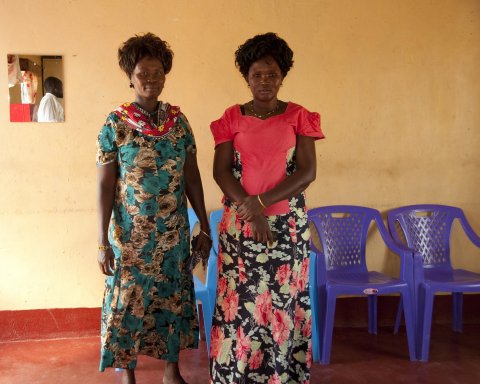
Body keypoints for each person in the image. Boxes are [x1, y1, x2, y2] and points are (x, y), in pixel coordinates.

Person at [209, 32, 325, 383]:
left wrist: (260, 203)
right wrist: (253, 212)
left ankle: (281, 376)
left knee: (282, 304)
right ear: (246, 76)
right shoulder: (231, 117)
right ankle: (237, 375)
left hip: (287, 229)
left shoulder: (300, 116)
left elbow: (307, 172)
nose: (264, 81)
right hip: (241, 229)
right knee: (241, 305)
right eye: (257, 74)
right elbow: (220, 170)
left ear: (283, 75)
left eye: (272, 74)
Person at [96, 33, 211, 384]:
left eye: (158, 72)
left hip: (172, 235)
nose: (151, 80)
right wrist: (102, 239)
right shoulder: (115, 124)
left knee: (171, 300)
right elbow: (104, 184)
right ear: (130, 76)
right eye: (143, 73)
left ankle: (170, 372)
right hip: (130, 238)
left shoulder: (178, 123)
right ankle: (127, 374)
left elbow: (192, 179)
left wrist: (204, 227)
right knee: (126, 305)